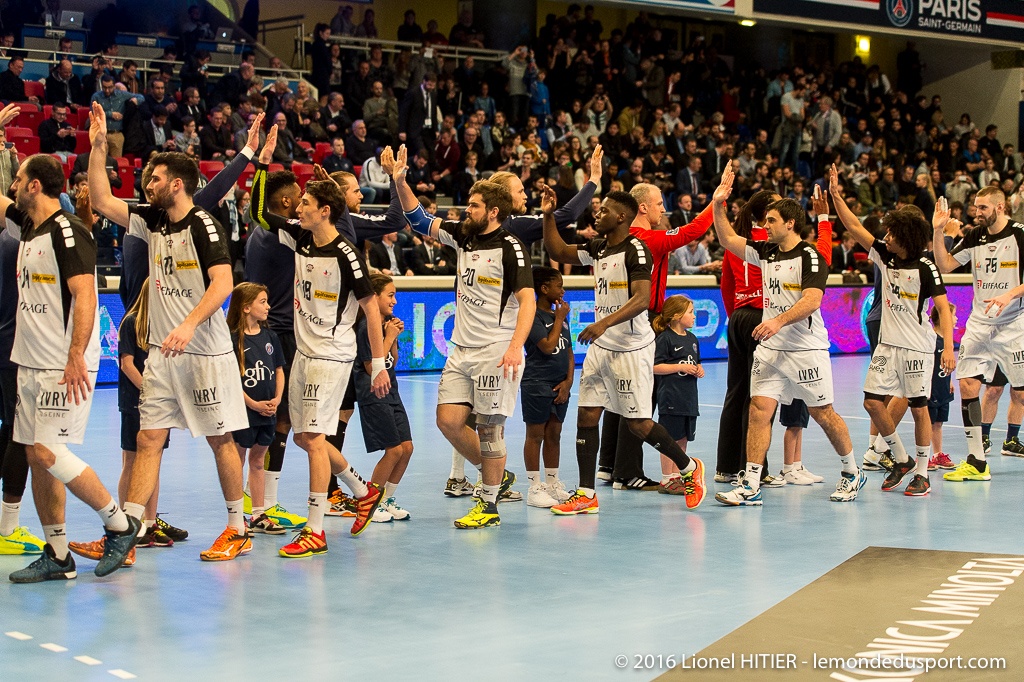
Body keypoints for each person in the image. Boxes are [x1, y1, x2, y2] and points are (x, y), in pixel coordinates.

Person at [87, 102, 252, 562]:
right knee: (148, 439)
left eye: (155, 179)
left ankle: (237, 528)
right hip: (162, 353)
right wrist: (98, 147)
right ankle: (131, 532)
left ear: (176, 184)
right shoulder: (150, 219)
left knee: (222, 440)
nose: (148, 184)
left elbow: (223, 284)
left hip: (203, 352)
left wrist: (188, 323)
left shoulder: (203, 224)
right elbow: (100, 201)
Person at [252, 126, 390, 556]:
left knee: (311, 439)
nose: (299, 208)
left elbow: (370, 308)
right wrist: (259, 162)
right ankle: (361, 489)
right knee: (301, 437)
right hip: (305, 354)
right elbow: (260, 213)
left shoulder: (346, 253)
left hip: (331, 356)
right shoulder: (299, 236)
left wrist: (380, 363)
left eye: (307, 204)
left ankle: (315, 529)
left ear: (325, 211)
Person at [3, 151, 139, 582]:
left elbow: (86, 295)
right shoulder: (28, 226)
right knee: (33, 452)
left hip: (63, 362)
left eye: (18, 178)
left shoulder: (68, 230)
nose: (13, 185)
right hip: (30, 360)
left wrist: (76, 354)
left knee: (47, 451)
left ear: (35, 185)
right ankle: (59, 555)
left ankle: (119, 526)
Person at [541, 184, 707, 514]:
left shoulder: (637, 250)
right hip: (603, 347)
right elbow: (558, 251)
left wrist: (604, 322)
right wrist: (548, 215)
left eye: (602, 210)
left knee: (639, 424)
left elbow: (643, 299)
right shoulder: (599, 247)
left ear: (620, 216)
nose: (596, 214)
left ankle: (690, 469)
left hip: (632, 348)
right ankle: (586, 493)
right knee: (587, 415)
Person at [392, 146, 532, 529]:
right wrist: (400, 181)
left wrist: (516, 345)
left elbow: (528, 299)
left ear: (493, 212)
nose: (464, 211)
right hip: (461, 348)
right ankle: (497, 478)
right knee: (448, 421)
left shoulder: (510, 247)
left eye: (472, 205)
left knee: (489, 428)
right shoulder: (463, 237)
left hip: (495, 349)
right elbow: (419, 220)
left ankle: (488, 505)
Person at [711, 166, 866, 506]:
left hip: (805, 349)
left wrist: (778, 321)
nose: (764, 226)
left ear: (790, 224)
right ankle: (750, 482)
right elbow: (726, 239)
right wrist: (718, 203)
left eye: (770, 221)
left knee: (823, 413)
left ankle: (852, 472)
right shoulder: (765, 252)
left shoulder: (809, 256)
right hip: (771, 350)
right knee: (758, 409)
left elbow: (812, 300)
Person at [830, 165, 956, 497]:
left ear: (906, 237)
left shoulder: (926, 266)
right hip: (888, 345)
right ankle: (900, 458)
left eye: (891, 233)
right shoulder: (886, 257)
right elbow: (854, 226)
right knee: (872, 402)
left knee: (918, 407)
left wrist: (948, 348)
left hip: (916, 347)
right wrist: (836, 196)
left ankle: (922, 471)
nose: (886, 237)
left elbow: (943, 308)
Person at [597, 178, 714, 490]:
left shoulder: (620, 240)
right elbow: (691, 232)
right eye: (660, 203)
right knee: (637, 398)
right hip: (640, 316)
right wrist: (717, 202)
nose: (664, 209)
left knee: (616, 393)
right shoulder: (646, 239)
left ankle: (607, 466)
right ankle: (627, 473)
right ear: (643, 207)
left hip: (618, 318)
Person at [932, 191, 1024, 482]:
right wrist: (937, 231)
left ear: (1000, 206)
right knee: (968, 383)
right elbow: (945, 265)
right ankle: (977, 461)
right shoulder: (974, 236)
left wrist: (1009, 295)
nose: (977, 212)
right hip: (979, 323)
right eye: (975, 207)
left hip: (1014, 323)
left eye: (983, 207)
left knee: (1020, 393)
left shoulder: (1020, 235)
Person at [227, 283, 286, 535]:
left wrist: (277, 399)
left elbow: (279, 370)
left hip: (268, 411)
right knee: (237, 459)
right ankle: (237, 516)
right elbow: (229, 379)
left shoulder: (271, 337)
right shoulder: (232, 339)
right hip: (244, 412)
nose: (268, 307)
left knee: (259, 460)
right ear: (246, 307)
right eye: (263, 302)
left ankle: (259, 514)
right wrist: (252, 404)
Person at [354, 274, 414, 522]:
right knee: (393, 450)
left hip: (392, 391)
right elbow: (373, 369)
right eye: (390, 295)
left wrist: (393, 339)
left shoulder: (387, 324)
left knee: (407, 448)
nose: (395, 301)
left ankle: (386, 499)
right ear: (374, 296)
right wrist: (388, 338)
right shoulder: (365, 328)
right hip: (373, 394)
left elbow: (392, 364)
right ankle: (370, 504)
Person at [520, 266, 574, 508]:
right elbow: (547, 346)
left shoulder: (559, 317)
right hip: (536, 383)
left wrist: (568, 383)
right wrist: (560, 318)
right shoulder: (532, 315)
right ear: (544, 289)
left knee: (554, 433)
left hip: (559, 384)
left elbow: (569, 352)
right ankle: (534, 487)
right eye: (559, 285)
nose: (562, 290)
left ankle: (552, 484)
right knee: (536, 435)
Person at [651, 295, 704, 494]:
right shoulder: (665, 338)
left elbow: (695, 361)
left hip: (688, 398)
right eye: (690, 312)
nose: (694, 316)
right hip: (671, 398)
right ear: (676, 315)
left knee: (682, 438)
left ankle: (679, 474)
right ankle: (667, 478)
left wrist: (698, 368)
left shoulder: (692, 339)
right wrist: (678, 367)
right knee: (669, 438)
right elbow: (655, 367)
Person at [928, 303, 957, 472]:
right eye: (952, 315)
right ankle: (923, 454)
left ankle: (937, 454)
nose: (955, 319)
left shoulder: (947, 343)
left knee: (938, 423)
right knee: (928, 422)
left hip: (943, 386)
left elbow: (945, 364)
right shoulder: (931, 340)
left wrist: (949, 380)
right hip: (932, 390)